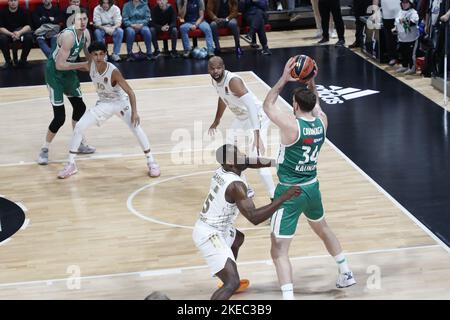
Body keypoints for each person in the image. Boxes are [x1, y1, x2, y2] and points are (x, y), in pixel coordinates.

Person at [263, 57, 355, 300]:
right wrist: (311, 80)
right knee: (323, 228)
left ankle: (288, 296)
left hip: (289, 193)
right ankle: (345, 271)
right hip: (312, 188)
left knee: (279, 250)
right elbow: (316, 107)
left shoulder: (290, 126)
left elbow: (268, 105)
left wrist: (284, 77)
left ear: (294, 104)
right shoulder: (322, 123)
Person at [192, 144, 301, 300]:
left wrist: (278, 162)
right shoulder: (235, 185)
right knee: (233, 283)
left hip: (218, 227)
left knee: (238, 238)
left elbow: (251, 161)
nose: (244, 156)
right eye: (239, 155)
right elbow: (254, 217)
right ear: (231, 163)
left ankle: (227, 274)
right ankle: (229, 282)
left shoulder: (226, 168)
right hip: (210, 234)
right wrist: (283, 198)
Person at [57, 41, 160, 179]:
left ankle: (151, 161)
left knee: (136, 128)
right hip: (104, 104)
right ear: (92, 56)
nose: (98, 57)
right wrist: (62, 63)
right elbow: (74, 66)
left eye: (101, 54)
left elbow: (130, 92)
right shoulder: (90, 65)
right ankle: (71, 164)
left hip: (120, 103)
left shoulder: (113, 71)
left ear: (105, 54)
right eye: (95, 54)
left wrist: (135, 112)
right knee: (79, 126)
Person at [208, 56, 276, 200]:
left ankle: (273, 196)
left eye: (218, 67)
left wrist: (257, 135)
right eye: (212, 68)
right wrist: (217, 120)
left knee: (256, 159)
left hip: (257, 117)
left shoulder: (233, 81)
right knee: (228, 153)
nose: (215, 71)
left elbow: (251, 106)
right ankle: (246, 187)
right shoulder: (215, 81)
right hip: (242, 118)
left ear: (224, 67)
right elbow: (222, 98)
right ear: (208, 69)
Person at [37, 8, 96, 165]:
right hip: (55, 73)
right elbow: (60, 65)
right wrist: (82, 64)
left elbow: (88, 55)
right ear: (73, 21)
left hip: (68, 72)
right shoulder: (68, 36)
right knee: (59, 117)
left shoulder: (86, 34)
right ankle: (44, 149)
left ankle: (79, 143)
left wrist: (94, 66)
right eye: (79, 19)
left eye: (84, 19)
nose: (82, 22)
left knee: (80, 108)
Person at [0, 0, 33, 69]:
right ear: (8, 2)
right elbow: (1, 28)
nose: (13, 2)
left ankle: (23, 61)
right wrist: (11, 34)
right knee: (2, 38)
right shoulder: (2, 12)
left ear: (18, 2)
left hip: (20, 33)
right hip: (8, 33)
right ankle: (8, 62)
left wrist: (19, 33)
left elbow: (29, 26)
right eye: (11, 1)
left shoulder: (24, 11)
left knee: (29, 37)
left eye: (15, 0)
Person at [392, 0, 420, 75]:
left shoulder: (413, 13)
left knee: (411, 54)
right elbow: (396, 22)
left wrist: (404, 21)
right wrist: (395, 28)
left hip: (412, 38)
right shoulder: (400, 12)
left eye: (406, 2)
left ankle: (412, 68)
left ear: (410, 3)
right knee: (403, 52)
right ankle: (404, 66)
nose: (404, 4)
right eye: (403, 2)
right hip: (402, 38)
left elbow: (412, 23)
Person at [372, 0, 401, 65]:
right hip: (387, 14)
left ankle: (404, 57)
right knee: (389, 37)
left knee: (404, 35)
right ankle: (392, 57)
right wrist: (375, 13)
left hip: (401, 11)